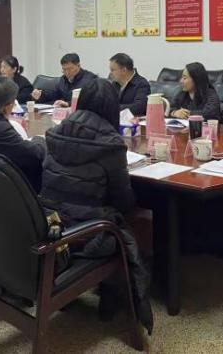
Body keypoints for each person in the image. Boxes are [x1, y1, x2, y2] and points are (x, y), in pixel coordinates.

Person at [40, 78, 153, 334]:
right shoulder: (111, 143)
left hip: (50, 224)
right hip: (87, 235)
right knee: (128, 223)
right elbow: (123, 200)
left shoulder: (56, 131)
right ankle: (112, 296)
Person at [31, 53, 96, 106]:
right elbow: (55, 94)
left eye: (70, 69)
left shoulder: (91, 80)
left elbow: (89, 101)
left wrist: (68, 104)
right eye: (64, 69)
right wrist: (41, 95)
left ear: (78, 66)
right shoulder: (63, 79)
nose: (67, 72)